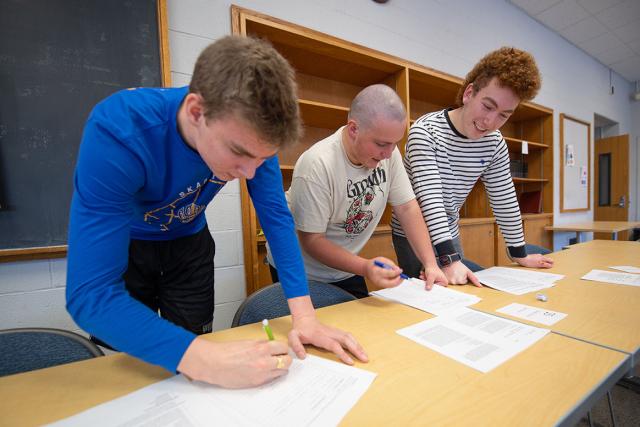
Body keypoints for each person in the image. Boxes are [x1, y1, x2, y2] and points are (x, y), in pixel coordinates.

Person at [66, 35, 367, 389]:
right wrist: (206, 360)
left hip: (189, 247)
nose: (251, 173)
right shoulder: (119, 130)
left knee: (190, 372)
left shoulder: (252, 140)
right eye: (239, 153)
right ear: (196, 112)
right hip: (126, 251)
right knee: (128, 366)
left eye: (262, 158)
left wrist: (305, 317)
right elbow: (90, 294)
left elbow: (276, 219)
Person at [390, 47, 554, 286]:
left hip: (450, 229)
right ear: (469, 93)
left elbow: (504, 198)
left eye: (504, 115)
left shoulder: (494, 143)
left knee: (463, 289)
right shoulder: (426, 132)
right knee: (431, 295)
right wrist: (448, 260)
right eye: (487, 106)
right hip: (415, 235)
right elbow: (431, 200)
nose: (490, 122)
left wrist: (520, 253)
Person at [267, 84, 447, 299]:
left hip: (346, 266)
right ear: (353, 129)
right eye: (381, 144)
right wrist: (365, 267)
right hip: (301, 269)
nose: (389, 154)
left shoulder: (388, 153)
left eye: (394, 144)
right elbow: (312, 240)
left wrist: (430, 264)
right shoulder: (317, 164)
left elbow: (407, 207)